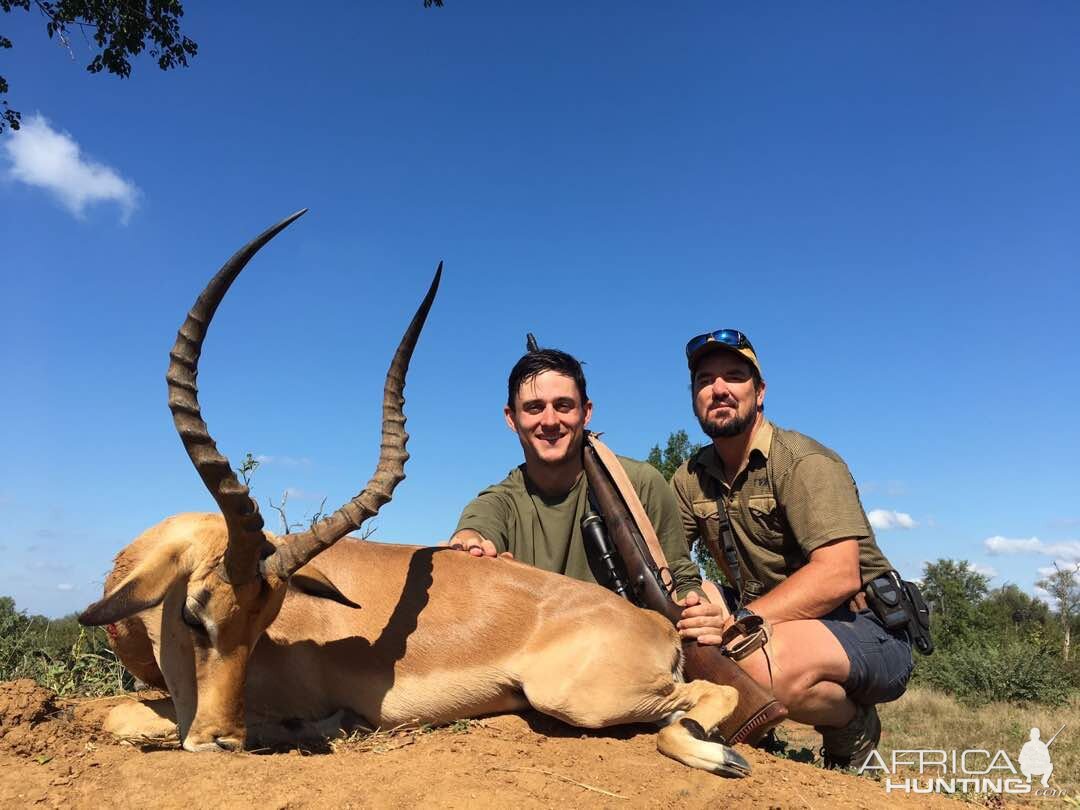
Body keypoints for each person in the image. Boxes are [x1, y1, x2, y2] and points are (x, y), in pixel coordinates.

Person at [669, 328, 914, 769]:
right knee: (689, 610)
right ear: (693, 396)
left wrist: (737, 622)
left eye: (734, 376)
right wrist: (694, 608)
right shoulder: (689, 477)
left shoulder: (802, 461)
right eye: (705, 380)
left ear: (759, 392)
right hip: (771, 622)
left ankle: (852, 729)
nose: (718, 389)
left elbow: (839, 574)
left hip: (868, 627)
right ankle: (753, 729)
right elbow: (669, 559)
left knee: (755, 664)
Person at [447, 347, 702, 599]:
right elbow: (475, 530)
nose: (549, 421)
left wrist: (695, 607)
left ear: (586, 412)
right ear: (511, 418)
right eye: (534, 407)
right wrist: (468, 543)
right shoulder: (499, 502)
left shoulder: (640, 483)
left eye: (563, 405)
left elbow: (682, 580)